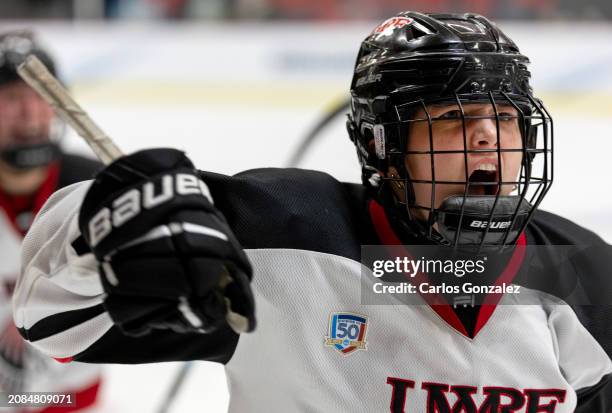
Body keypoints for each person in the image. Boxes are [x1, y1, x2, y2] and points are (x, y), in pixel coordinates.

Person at [11, 12, 612, 412]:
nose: (488, 141)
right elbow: (53, 321)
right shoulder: (282, 236)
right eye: (455, 119)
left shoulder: (587, 277)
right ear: (383, 145)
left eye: (505, 119)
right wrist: (108, 232)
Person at [0, 30, 103, 411]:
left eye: (41, 95)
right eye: (12, 97)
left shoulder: (97, 190)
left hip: (71, 399)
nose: (29, 112)